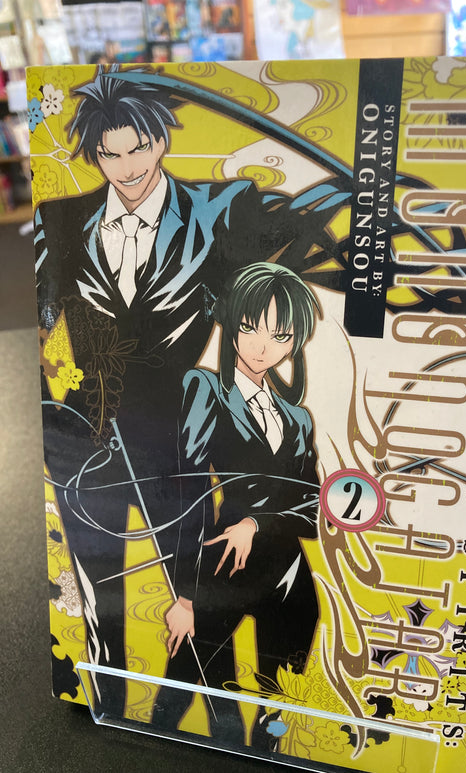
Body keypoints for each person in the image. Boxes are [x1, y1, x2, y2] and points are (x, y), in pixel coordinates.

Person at [33, 65, 349, 715]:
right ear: (94, 154)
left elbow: (270, 282)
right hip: (84, 444)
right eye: (109, 155)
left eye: (138, 149)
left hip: (182, 439)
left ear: (160, 140)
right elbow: (41, 327)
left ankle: (212, 718)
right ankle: (104, 704)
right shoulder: (60, 218)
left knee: (198, 600)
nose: (126, 168)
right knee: (98, 600)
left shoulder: (219, 210)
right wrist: (52, 412)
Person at [152, 262, 320, 747]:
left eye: (279, 335)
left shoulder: (298, 418)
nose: (262, 346)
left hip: (288, 576)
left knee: (278, 705)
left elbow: (311, 507)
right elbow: (188, 490)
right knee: (176, 692)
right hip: (223, 563)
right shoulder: (205, 389)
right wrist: (186, 596)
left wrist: (255, 522)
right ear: (231, 322)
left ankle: (269, 750)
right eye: (249, 327)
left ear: (294, 342)